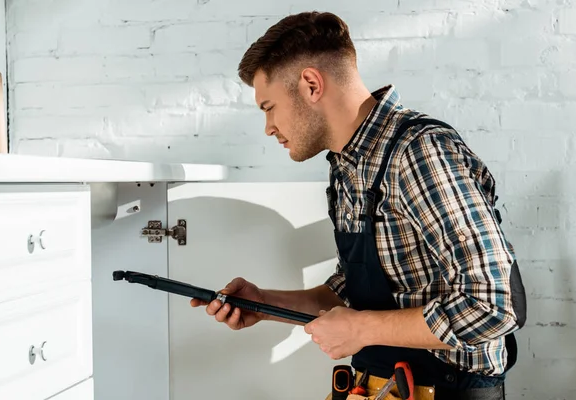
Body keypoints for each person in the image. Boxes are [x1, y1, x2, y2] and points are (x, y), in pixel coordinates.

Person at [190, 11, 527, 400]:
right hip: (379, 388)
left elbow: (496, 304)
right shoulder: (348, 166)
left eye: (268, 106)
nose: (268, 127)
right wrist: (267, 304)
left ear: (311, 85)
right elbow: (352, 293)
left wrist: (361, 330)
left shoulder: (416, 153)